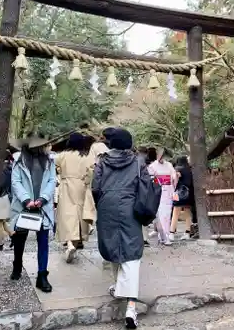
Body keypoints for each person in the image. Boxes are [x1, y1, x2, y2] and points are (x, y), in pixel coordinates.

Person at [92, 128, 149, 329]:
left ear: (112, 144)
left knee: (113, 247)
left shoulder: (102, 162)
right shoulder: (138, 162)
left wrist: (103, 203)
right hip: (130, 209)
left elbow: (95, 188)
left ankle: (118, 287)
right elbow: (145, 187)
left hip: (107, 207)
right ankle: (131, 308)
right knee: (132, 254)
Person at [9, 134, 56, 293]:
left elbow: (51, 181)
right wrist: (26, 199)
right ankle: (17, 265)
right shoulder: (19, 160)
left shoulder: (49, 161)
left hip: (42, 206)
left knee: (43, 241)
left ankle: (42, 275)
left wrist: (43, 198)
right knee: (19, 238)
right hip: (24, 206)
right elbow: (15, 182)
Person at [55, 132, 94, 262]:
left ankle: (70, 244)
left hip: (66, 186)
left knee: (66, 216)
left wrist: (62, 174)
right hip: (81, 186)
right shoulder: (86, 156)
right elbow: (91, 171)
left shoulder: (62, 155)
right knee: (80, 216)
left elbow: (56, 168)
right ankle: (75, 246)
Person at [148, 148, 177, 245]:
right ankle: (163, 236)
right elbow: (151, 179)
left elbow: (174, 176)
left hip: (168, 191)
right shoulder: (152, 166)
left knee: (167, 215)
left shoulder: (169, 165)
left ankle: (166, 236)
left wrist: (174, 178)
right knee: (160, 214)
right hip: (158, 192)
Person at [169, 156, 195, 241]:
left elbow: (175, 177)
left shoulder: (178, 169)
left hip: (178, 194)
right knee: (188, 214)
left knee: (175, 213)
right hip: (189, 194)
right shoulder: (190, 169)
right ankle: (187, 233)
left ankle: (172, 233)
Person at [0, 149, 14, 251]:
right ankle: (13, 235)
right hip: (6, 197)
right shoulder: (10, 168)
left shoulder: (3, 169)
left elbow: (1, 184)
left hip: (1, 197)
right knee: (2, 221)